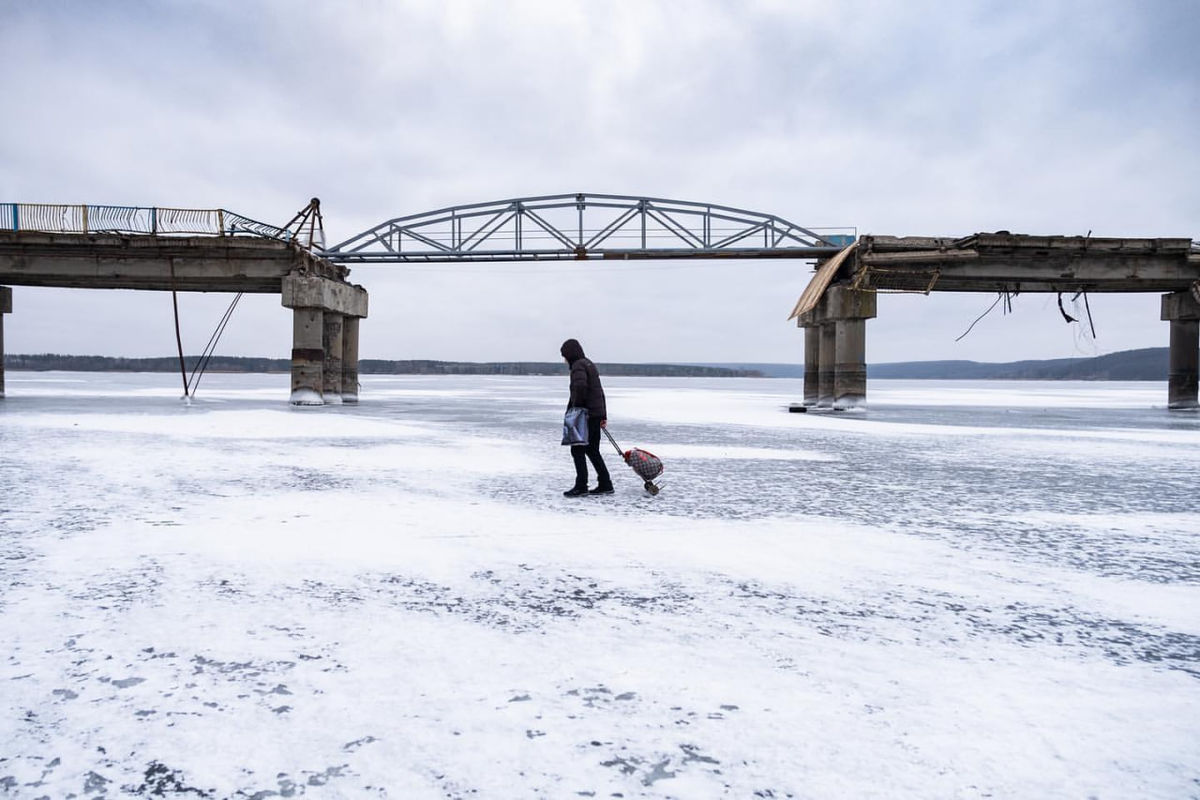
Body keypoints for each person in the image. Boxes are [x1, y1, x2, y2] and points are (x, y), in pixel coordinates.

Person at [560, 338, 613, 497]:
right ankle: (605, 483)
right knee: (592, 450)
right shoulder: (589, 364)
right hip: (595, 414)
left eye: (564, 356)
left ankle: (581, 485)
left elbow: (580, 387)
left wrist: (577, 408)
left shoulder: (578, 366)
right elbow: (599, 393)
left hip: (585, 415)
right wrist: (602, 414)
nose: (564, 360)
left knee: (577, 449)